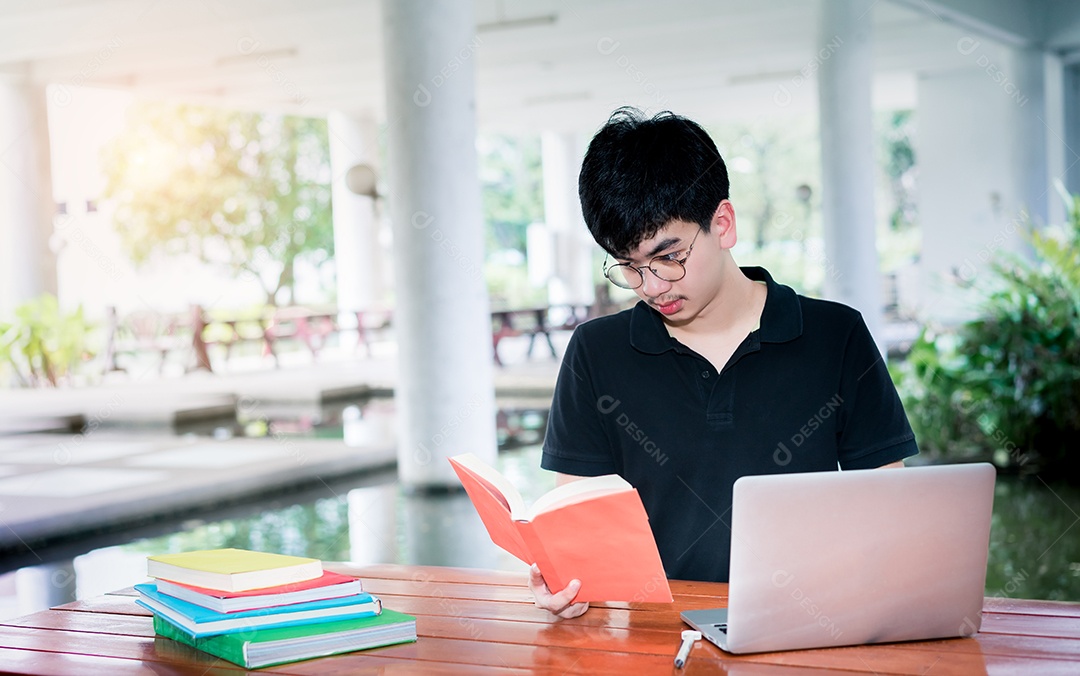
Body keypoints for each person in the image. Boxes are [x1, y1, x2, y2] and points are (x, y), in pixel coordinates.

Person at [530, 108, 919, 618]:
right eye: (629, 266)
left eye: (669, 256)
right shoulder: (596, 352)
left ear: (723, 224)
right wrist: (569, 588)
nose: (652, 286)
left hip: (810, 628)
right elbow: (578, 529)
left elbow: (888, 515)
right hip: (660, 639)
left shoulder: (835, 336)